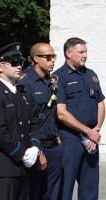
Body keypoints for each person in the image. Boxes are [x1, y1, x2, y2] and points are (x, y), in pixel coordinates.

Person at [0, 42, 40, 200]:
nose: (19, 66)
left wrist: (35, 146)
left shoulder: (22, 92)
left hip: (23, 168)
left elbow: (32, 124)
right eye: (14, 63)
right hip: (2, 170)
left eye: (20, 62)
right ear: (0, 67)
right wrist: (22, 153)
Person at [52, 37, 105, 200]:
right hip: (70, 138)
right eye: (81, 52)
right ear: (68, 53)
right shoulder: (59, 77)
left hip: (91, 138)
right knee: (65, 186)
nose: (85, 55)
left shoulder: (91, 74)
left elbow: (100, 104)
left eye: (86, 52)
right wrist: (88, 131)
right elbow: (61, 113)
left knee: (90, 186)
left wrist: (95, 130)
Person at [19, 43, 63, 200]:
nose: (53, 61)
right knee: (33, 193)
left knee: (52, 194)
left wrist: (57, 137)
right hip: (37, 147)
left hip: (53, 145)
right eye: (48, 57)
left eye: (54, 57)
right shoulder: (25, 82)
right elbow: (24, 121)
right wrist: (37, 151)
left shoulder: (49, 82)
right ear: (36, 58)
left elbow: (50, 113)